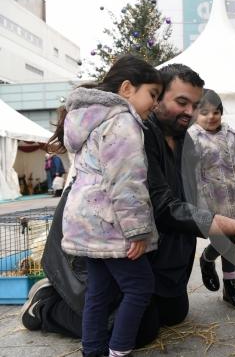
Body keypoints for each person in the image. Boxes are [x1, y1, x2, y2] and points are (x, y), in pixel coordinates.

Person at [20, 63, 235, 351]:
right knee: (137, 330)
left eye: (195, 105)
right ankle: (46, 306)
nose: (190, 112)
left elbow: (197, 200)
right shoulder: (134, 131)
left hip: (152, 249)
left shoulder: (189, 143)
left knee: (174, 314)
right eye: (181, 102)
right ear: (157, 98)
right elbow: (163, 205)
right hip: (103, 241)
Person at [48, 54, 162, 357]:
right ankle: (120, 351)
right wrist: (137, 230)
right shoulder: (123, 122)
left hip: (84, 222)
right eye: (152, 94)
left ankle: (94, 351)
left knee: (98, 293)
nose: (156, 103)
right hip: (111, 223)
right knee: (139, 288)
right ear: (127, 88)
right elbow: (126, 181)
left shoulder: (87, 119)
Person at [189, 89, 235, 309]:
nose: (211, 117)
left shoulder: (232, 135)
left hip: (234, 198)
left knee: (231, 240)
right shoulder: (192, 138)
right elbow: (189, 169)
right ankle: (208, 260)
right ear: (196, 113)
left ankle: (230, 287)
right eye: (205, 112)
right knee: (224, 240)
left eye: (216, 112)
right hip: (210, 199)